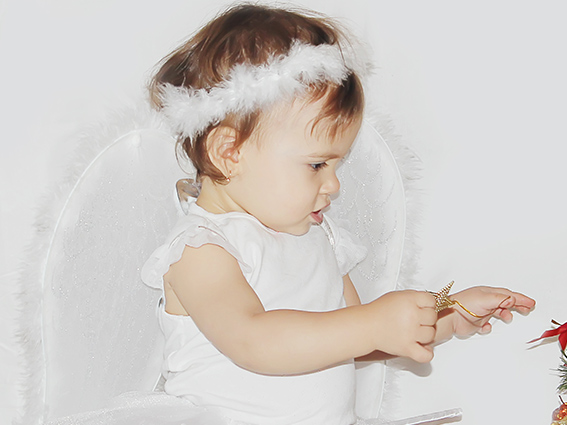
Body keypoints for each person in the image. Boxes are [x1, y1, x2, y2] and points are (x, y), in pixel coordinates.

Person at [141, 4, 535, 424]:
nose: (334, 185)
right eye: (316, 165)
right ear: (230, 152)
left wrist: (450, 315)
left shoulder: (319, 237)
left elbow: (354, 336)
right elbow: (253, 341)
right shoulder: (202, 249)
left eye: (337, 165)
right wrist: (372, 324)